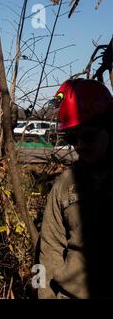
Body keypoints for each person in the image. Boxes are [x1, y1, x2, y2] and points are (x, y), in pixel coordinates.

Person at [38, 78, 113, 299]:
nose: (79, 146)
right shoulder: (65, 185)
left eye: (88, 136)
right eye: (72, 138)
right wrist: (44, 295)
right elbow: (48, 249)